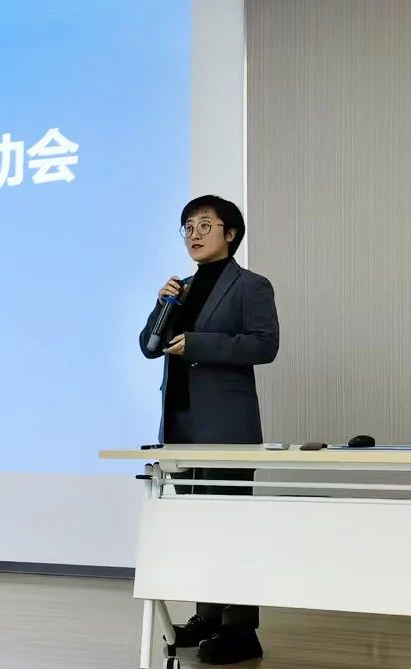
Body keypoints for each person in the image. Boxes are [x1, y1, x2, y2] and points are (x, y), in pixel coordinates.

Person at [138, 195, 279, 665]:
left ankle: (241, 631)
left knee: (231, 528)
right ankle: (208, 616)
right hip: (181, 423)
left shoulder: (251, 286)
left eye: (205, 225)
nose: (194, 234)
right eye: (188, 227)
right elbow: (149, 346)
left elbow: (265, 345)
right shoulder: (180, 289)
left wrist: (199, 343)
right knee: (198, 527)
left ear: (230, 233)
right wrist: (162, 307)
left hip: (226, 426)